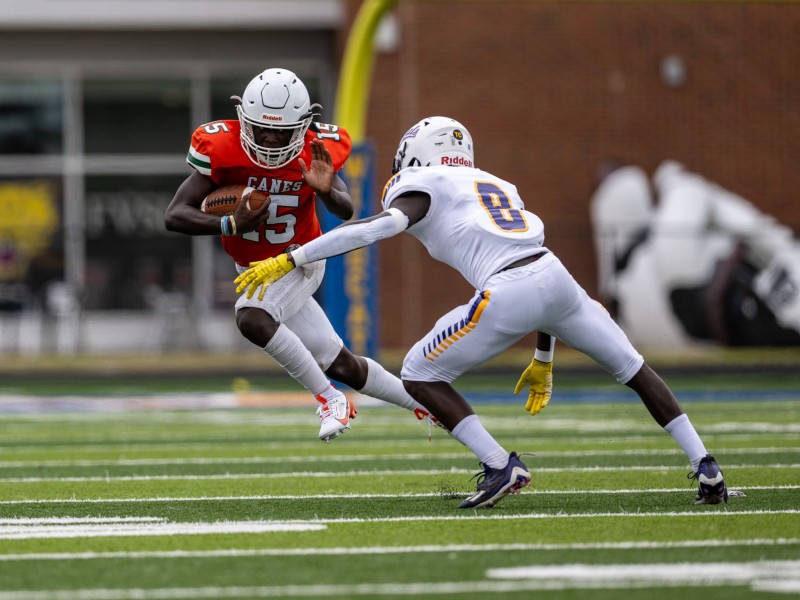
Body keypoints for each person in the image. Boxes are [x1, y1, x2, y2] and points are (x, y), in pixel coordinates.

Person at [234, 116, 729, 509]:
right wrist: (544, 354)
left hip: (509, 287)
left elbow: (369, 230)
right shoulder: (496, 182)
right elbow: (539, 281)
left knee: (419, 372)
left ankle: (499, 464)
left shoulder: (423, 182)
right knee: (635, 369)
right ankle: (706, 465)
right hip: (556, 278)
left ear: (415, 155)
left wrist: (293, 256)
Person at [165, 68, 438, 442]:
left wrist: (326, 191)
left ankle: (328, 399)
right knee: (341, 363)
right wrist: (231, 224)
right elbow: (175, 215)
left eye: (281, 130)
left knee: (253, 318)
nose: (270, 137)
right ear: (243, 118)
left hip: (302, 257)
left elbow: (345, 209)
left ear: (304, 125)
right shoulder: (223, 148)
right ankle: (425, 402)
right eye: (262, 127)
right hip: (254, 267)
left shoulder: (314, 150)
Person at [591, 159, 800, 349]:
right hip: (693, 302)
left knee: (685, 187)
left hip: (698, 306)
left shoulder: (624, 283)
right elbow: (691, 193)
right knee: (684, 186)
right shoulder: (651, 248)